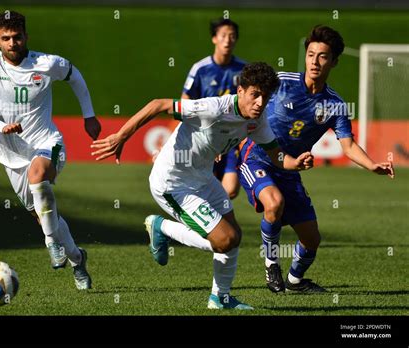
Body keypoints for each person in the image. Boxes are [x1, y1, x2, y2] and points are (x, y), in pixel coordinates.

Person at [92, 62, 314, 309]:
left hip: (203, 178)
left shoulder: (257, 120)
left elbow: (277, 156)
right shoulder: (212, 108)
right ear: (240, 90)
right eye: (255, 94)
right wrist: (120, 137)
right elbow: (158, 104)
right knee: (225, 239)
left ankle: (220, 298)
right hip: (173, 183)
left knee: (234, 236)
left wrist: (296, 163)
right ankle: (161, 227)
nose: (260, 103)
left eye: (265, 96)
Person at [237, 25, 395, 294]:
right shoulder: (281, 81)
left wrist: (372, 165)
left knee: (312, 240)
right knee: (273, 203)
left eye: (322, 56)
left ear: (333, 61)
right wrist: (223, 133)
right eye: (311, 54)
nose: (314, 61)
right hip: (258, 158)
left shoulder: (334, 104)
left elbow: (348, 145)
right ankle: (271, 264)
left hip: (290, 169)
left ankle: (296, 282)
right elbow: (243, 95)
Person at [0, 11, 101, 290]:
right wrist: (0, 126)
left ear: (26, 36)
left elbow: (75, 76)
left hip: (47, 142)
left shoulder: (46, 63)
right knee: (44, 214)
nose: (12, 43)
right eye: (6, 38)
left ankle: (51, 242)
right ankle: (77, 259)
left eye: (17, 37)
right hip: (12, 155)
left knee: (38, 176)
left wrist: (88, 115)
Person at [181, 17, 247, 200]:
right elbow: (184, 103)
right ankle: (208, 224)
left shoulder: (244, 70)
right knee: (202, 188)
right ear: (214, 38)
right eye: (223, 35)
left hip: (232, 139)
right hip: (205, 138)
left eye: (232, 36)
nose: (228, 40)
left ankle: (213, 221)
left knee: (231, 190)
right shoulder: (200, 69)